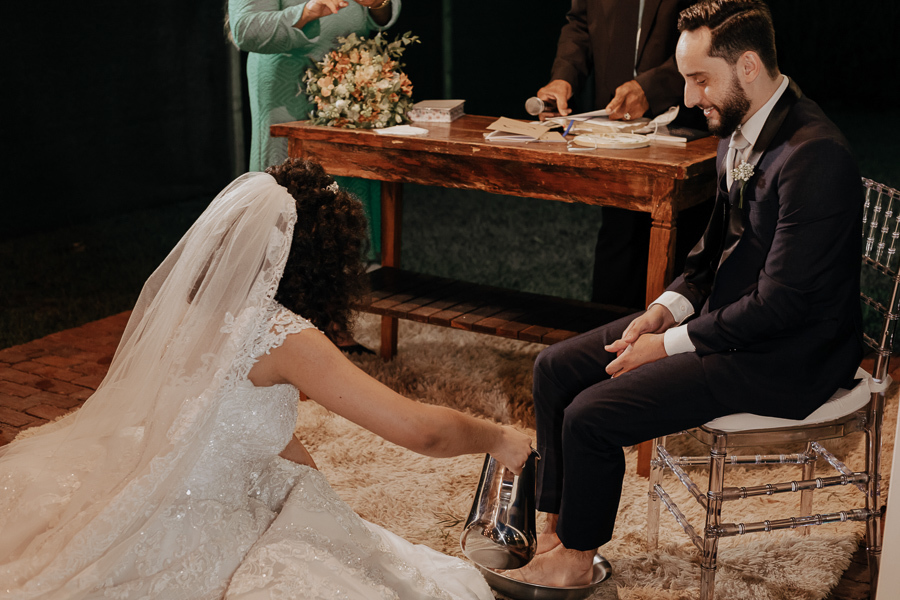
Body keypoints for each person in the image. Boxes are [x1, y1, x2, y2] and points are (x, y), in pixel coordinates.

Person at [0, 158, 533, 599]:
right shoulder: (282, 335)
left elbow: (237, 415)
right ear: (323, 262)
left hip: (146, 479)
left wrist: (323, 498)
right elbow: (422, 431)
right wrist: (498, 437)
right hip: (200, 515)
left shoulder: (191, 309)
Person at [510, 0, 864, 587]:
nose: (692, 96)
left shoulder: (814, 155)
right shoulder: (736, 133)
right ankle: (552, 527)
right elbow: (706, 256)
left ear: (748, 66)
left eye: (702, 80)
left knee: (590, 416)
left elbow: (783, 305)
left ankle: (575, 559)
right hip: (734, 324)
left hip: (788, 354)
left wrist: (672, 345)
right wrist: (660, 312)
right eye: (687, 79)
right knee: (554, 367)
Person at [535, 0, 709, 310]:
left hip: (690, 122)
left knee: (684, 247)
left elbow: (718, 34)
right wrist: (563, 76)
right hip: (615, 128)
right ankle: (603, 345)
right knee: (619, 241)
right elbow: (580, 25)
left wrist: (651, 88)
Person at [227, 0, 401, 270]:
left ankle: (357, 271)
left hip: (352, 76)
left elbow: (380, 15)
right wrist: (307, 11)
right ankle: (287, 279)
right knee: (292, 188)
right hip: (287, 87)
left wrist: (379, 4)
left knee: (351, 183)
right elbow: (245, 29)